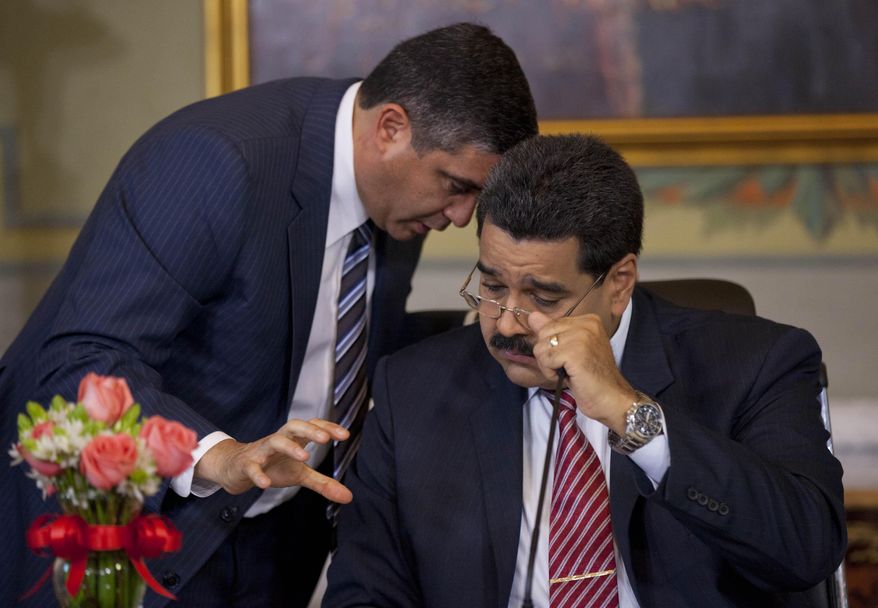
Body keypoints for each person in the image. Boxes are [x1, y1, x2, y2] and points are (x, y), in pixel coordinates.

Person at [0, 23, 537, 608]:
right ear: (390, 128)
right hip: (133, 534)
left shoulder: (401, 197)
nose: (460, 217)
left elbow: (328, 337)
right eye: (456, 186)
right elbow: (79, 360)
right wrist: (221, 457)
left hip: (276, 548)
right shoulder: (216, 162)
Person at [325, 134, 847, 607]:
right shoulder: (412, 388)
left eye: (543, 296)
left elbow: (806, 550)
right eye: (492, 286)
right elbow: (364, 592)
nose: (506, 323)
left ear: (619, 283)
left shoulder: (757, 363)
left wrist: (631, 414)